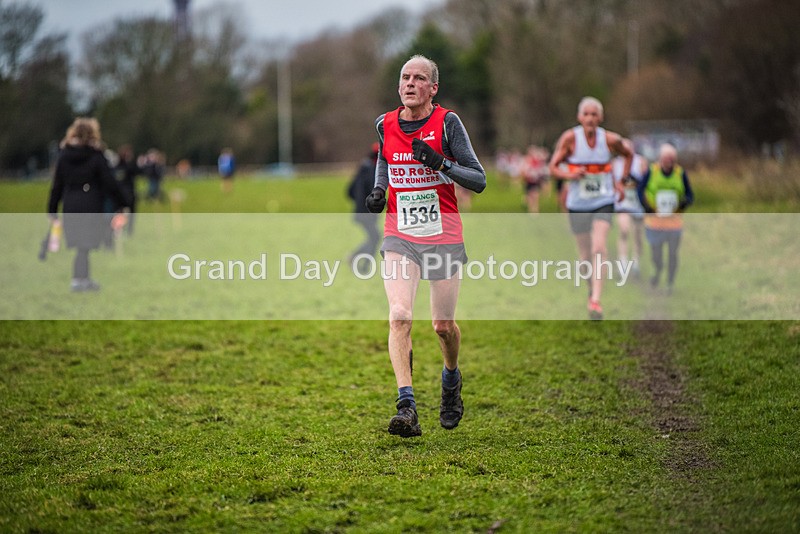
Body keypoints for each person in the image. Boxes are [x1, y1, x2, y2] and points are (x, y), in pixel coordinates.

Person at [365, 54, 486, 438]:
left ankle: (451, 379)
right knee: (399, 315)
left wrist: (441, 164)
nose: (410, 83)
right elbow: (386, 159)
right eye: (405, 77)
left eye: (419, 78)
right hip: (400, 233)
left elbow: (479, 179)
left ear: (433, 88)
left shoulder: (447, 123)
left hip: (444, 235)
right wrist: (380, 189)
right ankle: (407, 406)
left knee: (442, 326)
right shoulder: (385, 124)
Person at [548, 97, 632, 319]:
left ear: (600, 118)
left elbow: (628, 154)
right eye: (586, 114)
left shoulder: (611, 139)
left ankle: (595, 301)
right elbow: (553, 167)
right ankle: (590, 289)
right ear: (579, 117)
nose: (590, 118)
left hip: (603, 200)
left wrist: (622, 181)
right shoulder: (570, 139)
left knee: (599, 248)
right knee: (585, 257)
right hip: (577, 204)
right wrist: (570, 174)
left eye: (594, 114)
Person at [47, 117, 131, 292]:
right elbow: (110, 182)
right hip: (91, 203)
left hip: (70, 204)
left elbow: (57, 185)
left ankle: (82, 279)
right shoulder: (96, 156)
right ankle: (80, 280)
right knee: (84, 246)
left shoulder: (64, 156)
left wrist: (52, 209)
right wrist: (122, 202)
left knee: (81, 246)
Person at [637, 143, 694, 295]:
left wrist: (684, 203)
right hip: (654, 222)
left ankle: (669, 283)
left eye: (671, 159)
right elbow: (639, 190)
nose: (668, 161)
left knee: (673, 254)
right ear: (660, 159)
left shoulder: (680, 173)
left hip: (674, 223)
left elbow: (690, 195)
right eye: (666, 158)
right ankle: (657, 270)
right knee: (656, 254)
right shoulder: (652, 171)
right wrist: (646, 207)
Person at [613, 139, 647, 278]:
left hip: (637, 204)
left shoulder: (641, 162)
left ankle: (636, 262)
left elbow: (646, 181)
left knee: (637, 235)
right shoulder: (615, 164)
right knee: (624, 230)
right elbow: (613, 182)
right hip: (622, 204)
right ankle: (622, 263)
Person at [347, 143, 381, 273]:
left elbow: (349, 191)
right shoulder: (373, 170)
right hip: (368, 212)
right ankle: (363, 266)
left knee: (374, 237)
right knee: (375, 238)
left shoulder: (362, 168)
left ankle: (357, 259)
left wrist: (358, 203)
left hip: (359, 212)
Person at [114, 144, 141, 235]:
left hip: (129, 192)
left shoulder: (130, 165)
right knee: (121, 213)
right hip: (121, 193)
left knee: (131, 214)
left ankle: (129, 230)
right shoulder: (119, 165)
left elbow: (138, 171)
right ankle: (120, 229)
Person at [522, 145, 549, 213]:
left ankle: (535, 211)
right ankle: (530, 209)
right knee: (530, 195)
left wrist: (538, 175)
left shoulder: (537, 161)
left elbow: (540, 169)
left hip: (535, 181)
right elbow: (523, 170)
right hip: (528, 180)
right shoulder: (526, 160)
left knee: (536, 195)